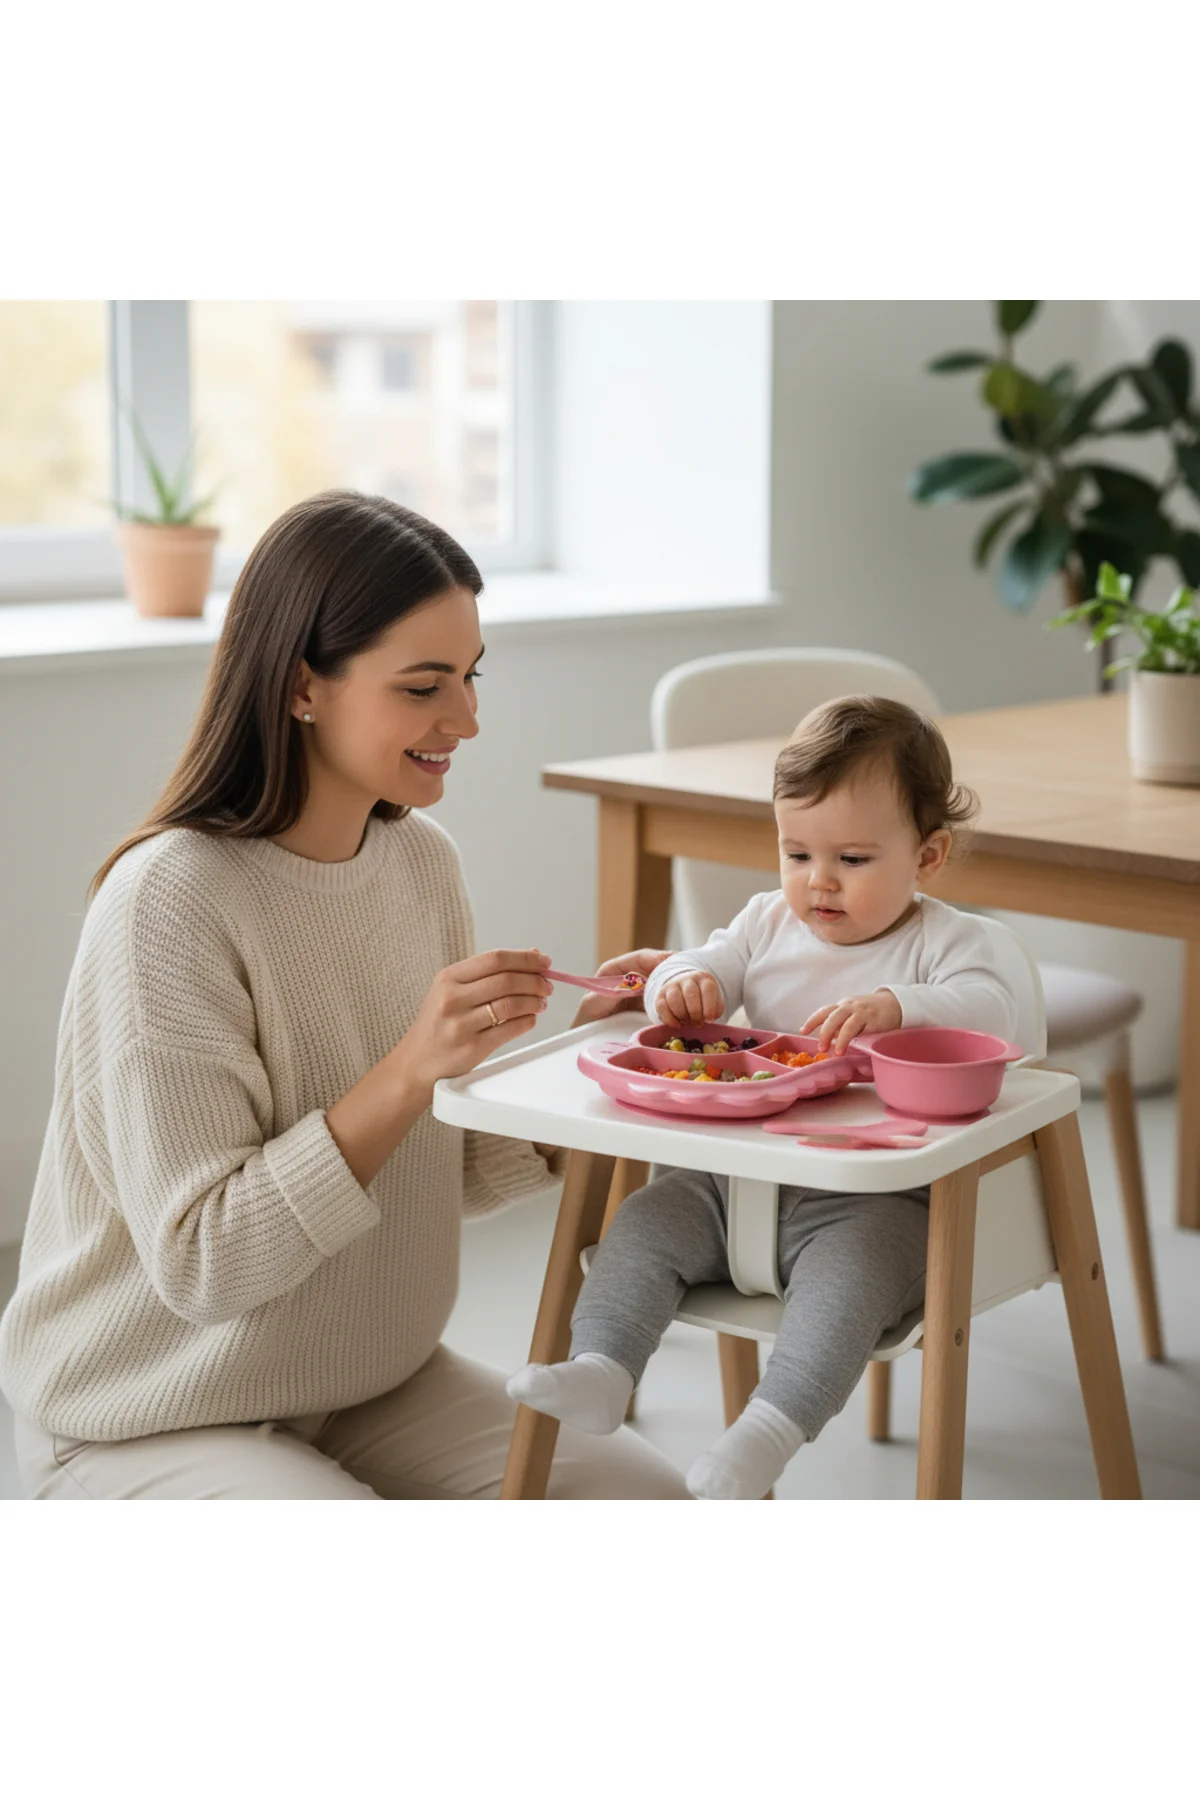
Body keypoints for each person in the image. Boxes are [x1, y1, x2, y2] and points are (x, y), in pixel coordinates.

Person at [0, 490, 686, 1500]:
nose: (467, 719)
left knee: (654, 1507)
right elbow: (204, 1265)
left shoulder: (421, 862)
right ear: (301, 687)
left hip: (368, 1381)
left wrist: (582, 1070)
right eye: (423, 687)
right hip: (146, 1408)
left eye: (469, 677)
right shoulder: (170, 901)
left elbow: (428, 1173)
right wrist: (412, 1068)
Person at [508, 696, 1019, 1499]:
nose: (818, 883)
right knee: (641, 1224)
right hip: (735, 1181)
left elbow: (996, 1012)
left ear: (927, 857)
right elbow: (692, 962)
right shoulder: (762, 923)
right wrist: (686, 985)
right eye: (796, 853)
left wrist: (900, 1006)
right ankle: (604, 1367)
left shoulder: (948, 944)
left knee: (848, 1288)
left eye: (852, 860)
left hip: (874, 1198)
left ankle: (767, 1432)